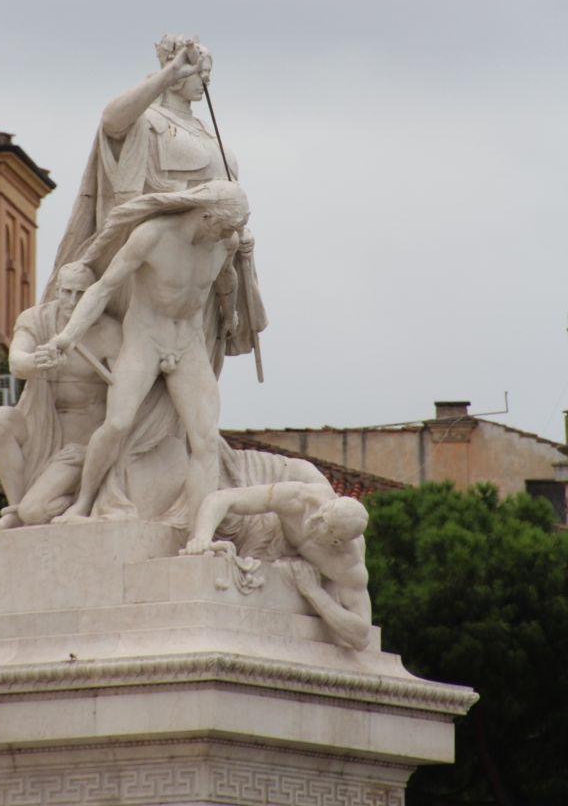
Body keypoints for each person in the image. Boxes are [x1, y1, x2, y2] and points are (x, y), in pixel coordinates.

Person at [34, 180, 250, 528]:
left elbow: (226, 278)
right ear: (206, 215)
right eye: (225, 226)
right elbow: (103, 288)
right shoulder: (152, 235)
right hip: (145, 339)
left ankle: (198, 532)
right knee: (117, 424)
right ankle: (84, 501)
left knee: (206, 440)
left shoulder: (226, 241)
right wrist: (67, 336)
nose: (229, 234)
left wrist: (231, 312)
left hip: (188, 342)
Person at [43, 35, 266, 365]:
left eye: (208, 74)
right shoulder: (148, 120)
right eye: (198, 72)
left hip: (208, 262)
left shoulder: (206, 130)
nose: (205, 81)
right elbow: (111, 121)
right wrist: (170, 72)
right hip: (157, 262)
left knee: (197, 368)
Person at [0, 262, 121, 534]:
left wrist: (98, 446)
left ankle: (77, 502)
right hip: (39, 425)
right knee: (0, 419)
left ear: (92, 294)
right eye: (67, 292)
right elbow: (16, 362)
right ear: (57, 290)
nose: (72, 300)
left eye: (81, 293)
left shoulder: (108, 332)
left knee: (34, 512)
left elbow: (126, 391)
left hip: (80, 443)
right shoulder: (36, 320)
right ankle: (14, 510)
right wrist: (36, 361)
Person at [181, 479, 372, 651]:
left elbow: (362, 636)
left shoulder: (347, 564)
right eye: (321, 516)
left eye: (326, 528)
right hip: (270, 533)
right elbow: (222, 498)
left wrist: (314, 592)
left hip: (291, 564)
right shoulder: (300, 498)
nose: (315, 523)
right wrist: (202, 538)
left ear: (337, 541)